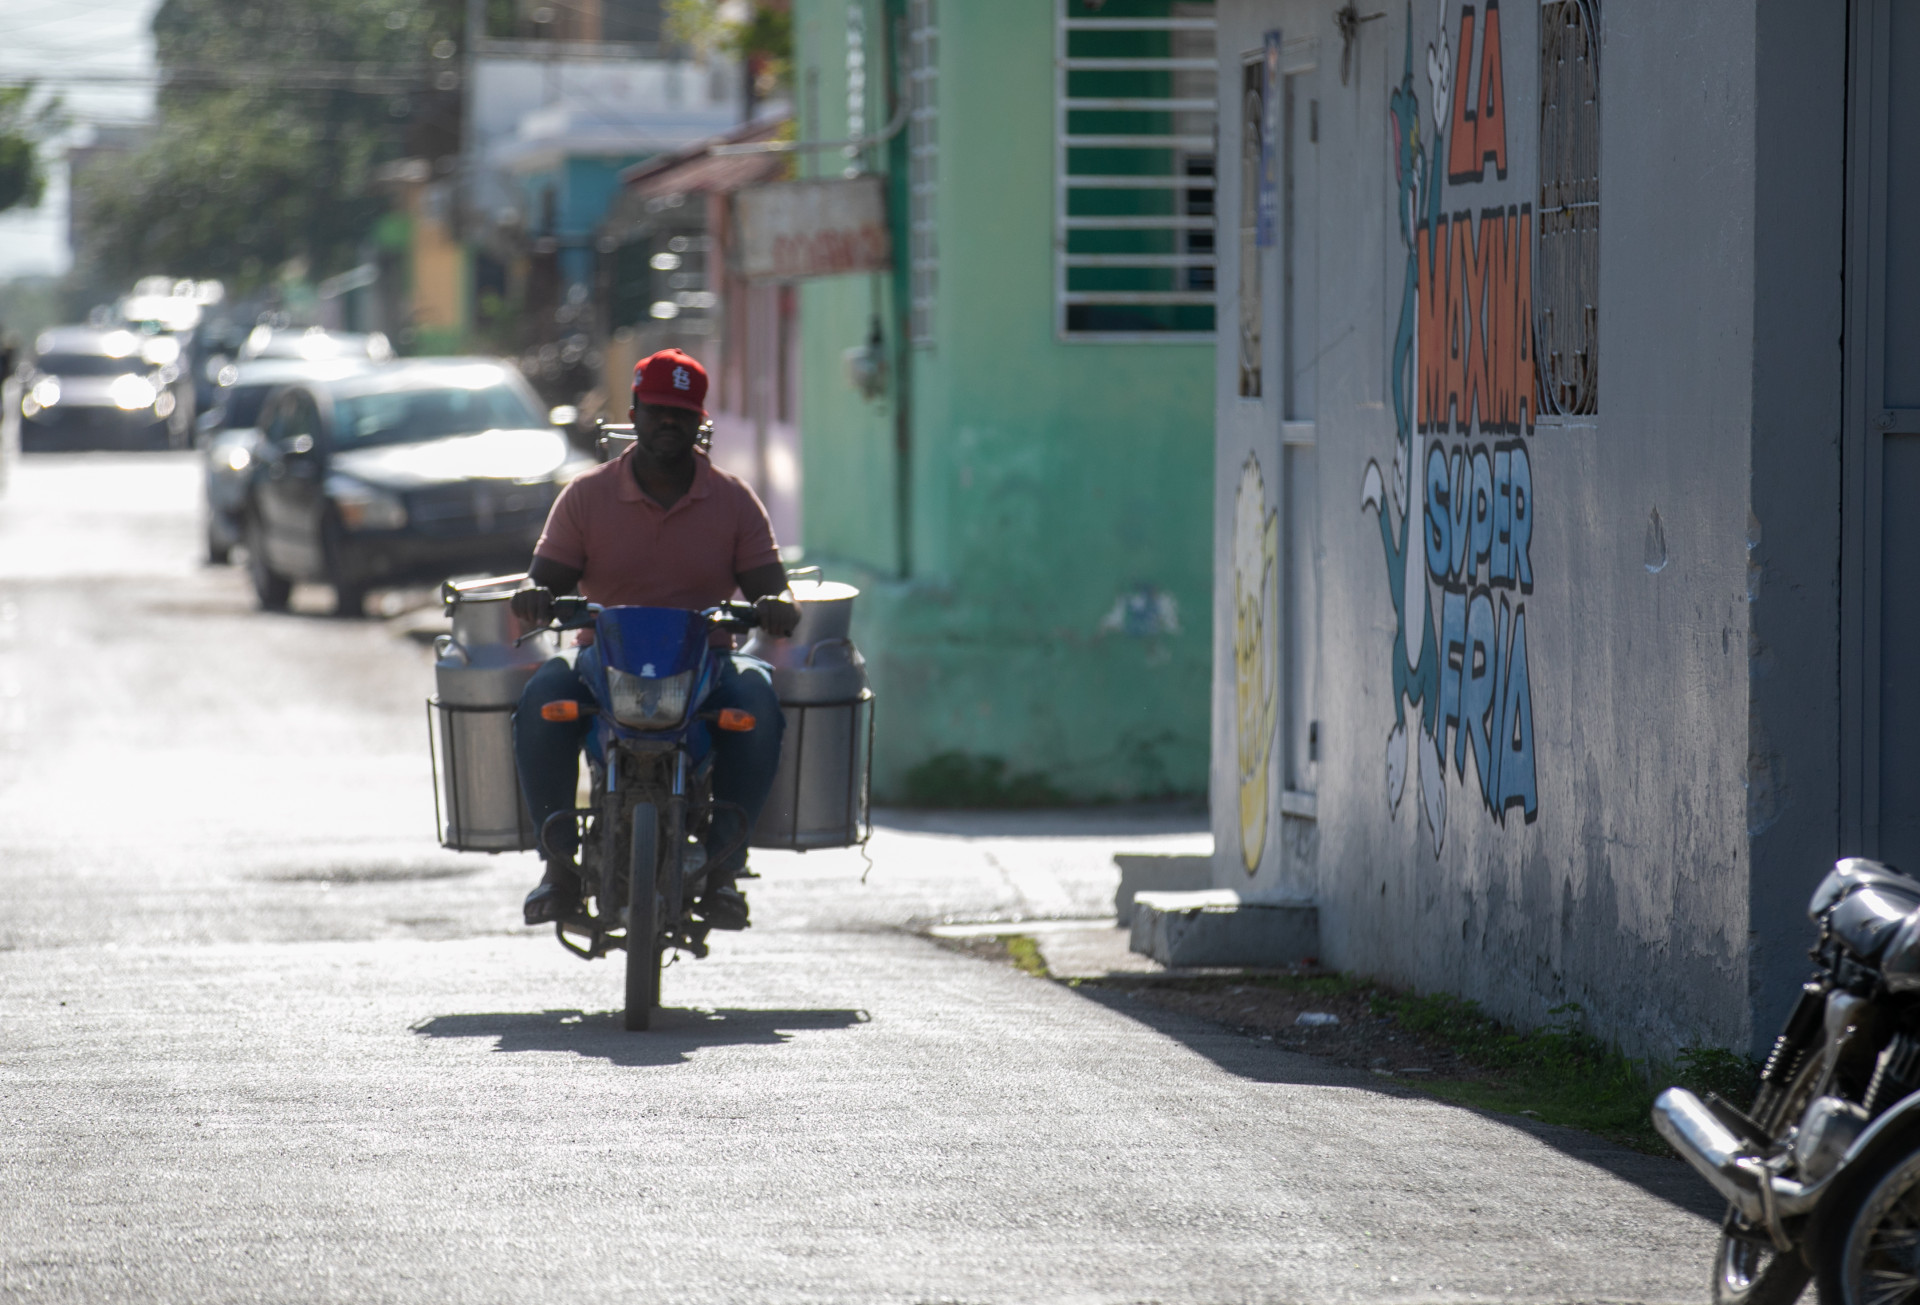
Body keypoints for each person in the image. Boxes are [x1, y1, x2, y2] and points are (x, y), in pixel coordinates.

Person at [509, 348, 799, 931]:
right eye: (659, 409)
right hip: (601, 663)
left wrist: (777, 606)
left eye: (682, 412)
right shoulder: (585, 496)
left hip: (707, 664)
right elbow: (544, 577)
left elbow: (773, 587)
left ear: (700, 422)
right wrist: (535, 594)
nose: (670, 421)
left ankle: (724, 867)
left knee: (758, 703)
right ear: (634, 413)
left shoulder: (734, 501)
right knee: (541, 700)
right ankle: (558, 866)